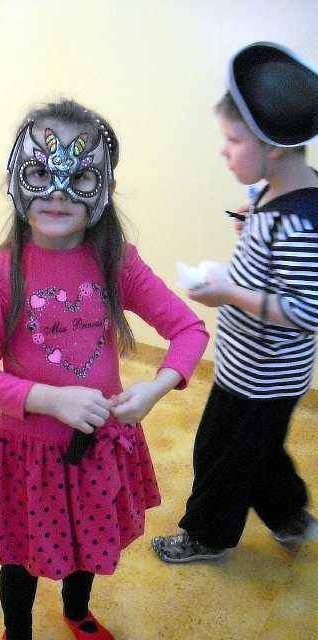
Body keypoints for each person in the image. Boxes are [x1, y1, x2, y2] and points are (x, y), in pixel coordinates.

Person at [0, 98, 209, 639]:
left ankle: (77, 611)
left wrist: (156, 388)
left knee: (87, 542)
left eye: (79, 178)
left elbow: (189, 330)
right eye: (40, 174)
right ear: (16, 179)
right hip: (27, 456)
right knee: (20, 557)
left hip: (98, 448)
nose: (57, 193)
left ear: (104, 187)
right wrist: (52, 399)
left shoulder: (117, 262)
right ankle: (17, 631)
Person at [151, 41, 318, 564]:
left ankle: (208, 534)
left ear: (273, 147)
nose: (223, 151)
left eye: (232, 140)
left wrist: (228, 293)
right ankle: (291, 519)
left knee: (220, 456)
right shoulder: (278, 191)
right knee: (259, 452)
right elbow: (280, 264)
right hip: (255, 368)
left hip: (263, 375)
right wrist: (252, 228)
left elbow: (307, 310)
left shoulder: (296, 223)